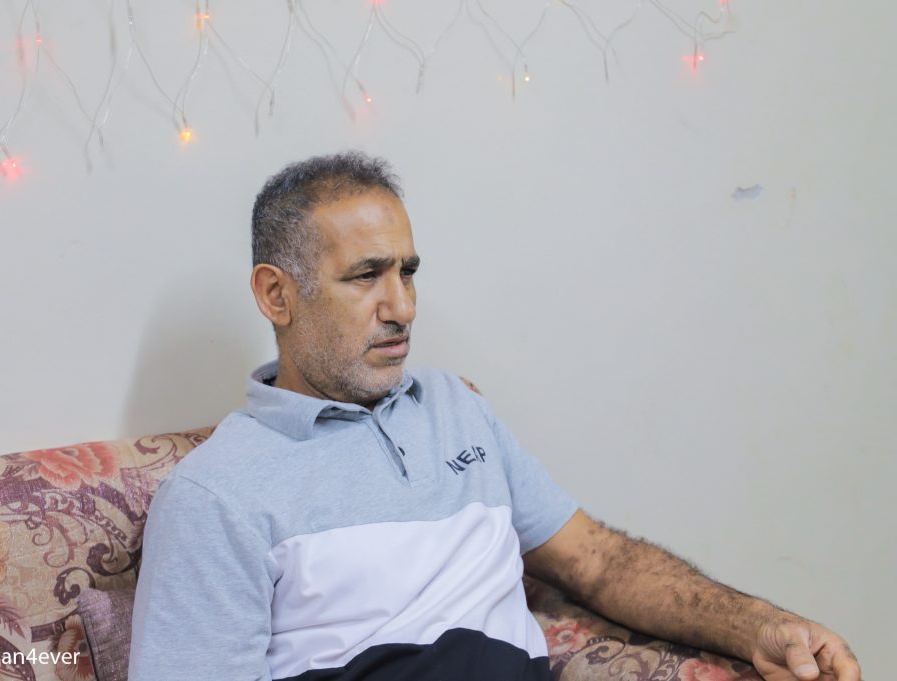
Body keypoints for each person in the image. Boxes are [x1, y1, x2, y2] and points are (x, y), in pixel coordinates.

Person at [127, 152, 861, 681]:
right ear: (276, 295)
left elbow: (598, 560)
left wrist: (760, 625)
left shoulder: (456, 409)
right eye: (366, 276)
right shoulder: (217, 494)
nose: (403, 307)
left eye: (408, 271)